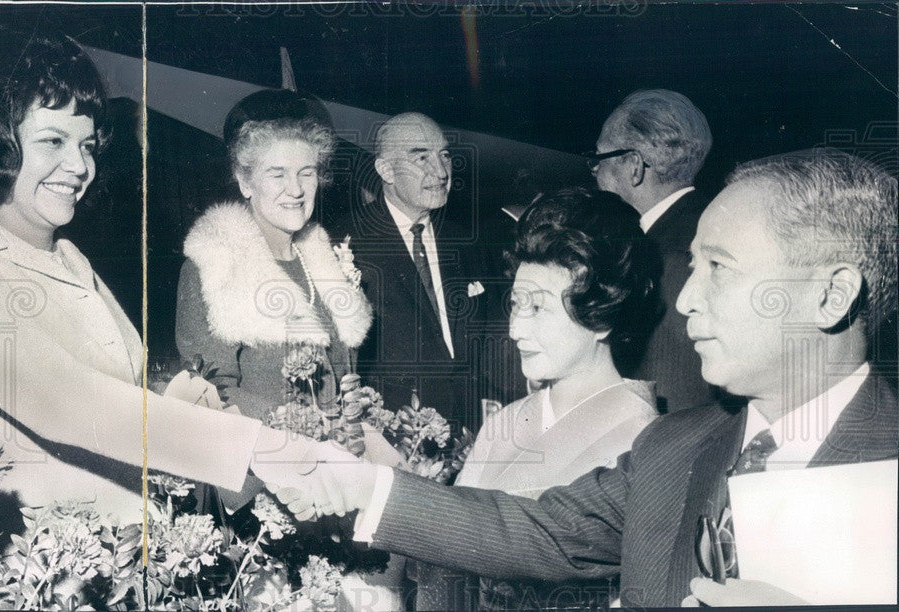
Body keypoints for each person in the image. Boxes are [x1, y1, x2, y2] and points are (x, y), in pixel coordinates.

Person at [282, 148, 899, 607]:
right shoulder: (672, 447)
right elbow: (534, 531)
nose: (685, 301)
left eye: (720, 268)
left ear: (830, 295)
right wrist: (361, 484)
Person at [0, 25, 347, 557]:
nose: (81, 166)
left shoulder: (70, 259)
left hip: (130, 563)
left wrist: (184, 403)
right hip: (32, 579)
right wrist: (269, 451)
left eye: (87, 144)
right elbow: (75, 407)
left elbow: (128, 405)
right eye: (53, 141)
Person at [410, 188, 659, 610]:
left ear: (601, 316)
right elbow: (447, 560)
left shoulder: (643, 440)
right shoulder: (505, 422)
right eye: (515, 304)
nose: (515, 330)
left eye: (539, 308)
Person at [174, 90, 373, 513]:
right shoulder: (213, 265)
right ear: (245, 181)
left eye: (307, 173)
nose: (296, 190)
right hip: (257, 493)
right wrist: (301, 435)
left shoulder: (326, 264)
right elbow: (208, 396)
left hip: (334, 485)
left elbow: (341, 381)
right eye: (277, 174)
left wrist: (350, 412)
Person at [329, 112, 489, 431]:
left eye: (444, 154)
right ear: (385, 169)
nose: (441, 171)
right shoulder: (345, 244)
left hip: (474, 431)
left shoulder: (467, 240)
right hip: (394, 437)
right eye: (421, 157)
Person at [587, 89, 716, 413]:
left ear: (633, 166)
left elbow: (673, 389)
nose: (595, 173)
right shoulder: (714, 225)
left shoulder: (653, 257)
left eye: (599, 159)